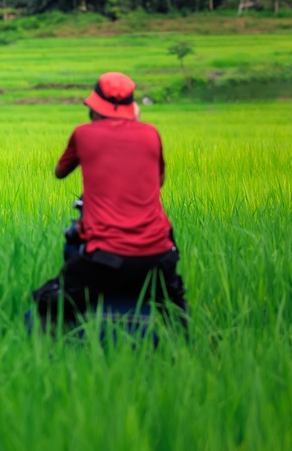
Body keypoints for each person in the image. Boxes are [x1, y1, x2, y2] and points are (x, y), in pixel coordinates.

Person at [33, 72, 188, 333]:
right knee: (177, 314)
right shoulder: (151, 134)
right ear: (132, 108)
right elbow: (158, 181)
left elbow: (60, 171)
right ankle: (188, 349)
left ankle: (59, 353)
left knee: (49, 301)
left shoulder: (84, 134)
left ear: (94, 107)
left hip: (103, 259)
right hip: (159, 255)